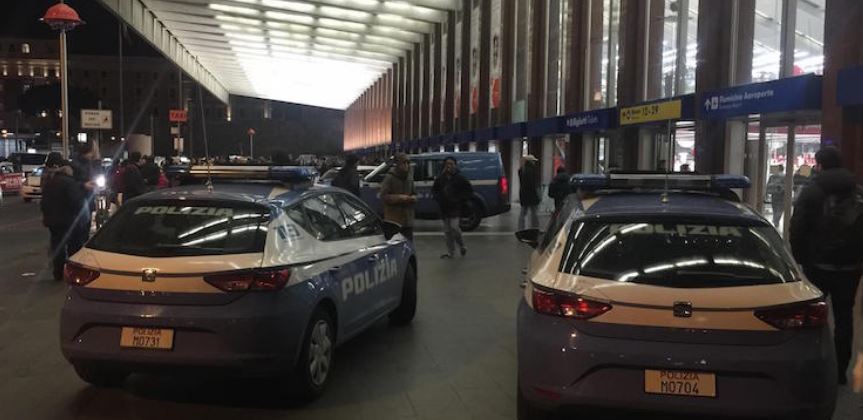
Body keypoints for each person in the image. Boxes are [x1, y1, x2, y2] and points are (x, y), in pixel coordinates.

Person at [790, 147, 863, 386]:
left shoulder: (812, 192)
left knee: (812, 318)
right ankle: (841, 370)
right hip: (850, 268)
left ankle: (813, 367)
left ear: (820, 165)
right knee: (844, 318)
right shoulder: (858, 193)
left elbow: (797, 228)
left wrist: (800, 259)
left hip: (817, 266)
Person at [41, 159, 87, 281]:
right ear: (68, 170)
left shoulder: (49, 183)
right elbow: (76, 202)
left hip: (53, 221)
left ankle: (58, 272)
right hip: (69, 221)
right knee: (74, 246)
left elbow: (43, 203)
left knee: (57, 246)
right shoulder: (69, 183)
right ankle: (73, 272)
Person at [432, 157, 472, 259]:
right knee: (447, 232)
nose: (449, 166)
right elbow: (434, 190)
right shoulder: (440, 179)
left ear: (455, 165)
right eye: (447, 164)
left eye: (451, 164)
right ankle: (451, 252)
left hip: (455, 207)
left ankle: (462, 246)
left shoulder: (460, 178)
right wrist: (438, 198)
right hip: (444, 207)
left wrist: (460, 199)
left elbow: (469, 191)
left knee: (454, 228)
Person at [380, 153, 417, 241]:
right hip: (394, 220)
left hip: (408, 220)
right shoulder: (390, 177)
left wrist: (413, 198)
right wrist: (399, 198)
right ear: (397, 164)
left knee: (408, 245)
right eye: (404, 163)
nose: (406, 165)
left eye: (408, 163)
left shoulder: (409, 177)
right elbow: (384, 196)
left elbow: (414, 193)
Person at [518, 155, 541, 230]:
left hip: (523, 194)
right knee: (534, 213)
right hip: (531, 194)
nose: (534, 162)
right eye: (533, 161)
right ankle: (535, 227)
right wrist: (537, 195)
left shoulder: (522, 170)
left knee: (523, 213)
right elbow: (532, 184)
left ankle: (521, 228)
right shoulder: (531, 170)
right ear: (530, 161)